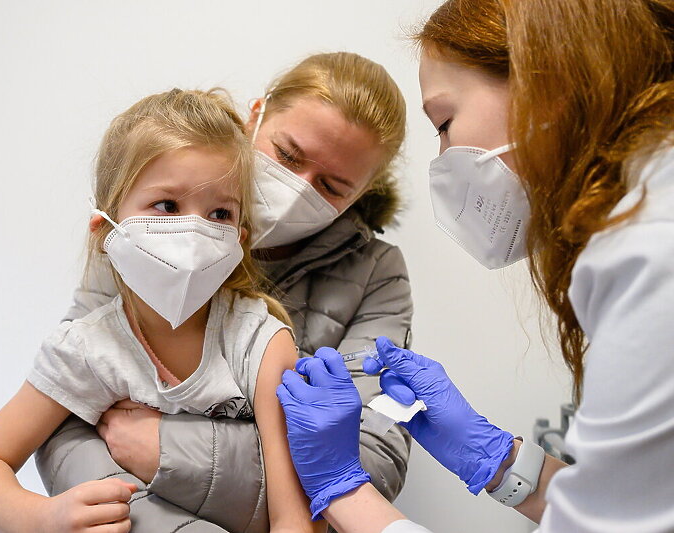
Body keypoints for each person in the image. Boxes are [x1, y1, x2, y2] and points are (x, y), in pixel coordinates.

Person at [276, 0, 674, 531]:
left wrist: (340, 489)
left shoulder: (650, 249)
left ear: (546, 81)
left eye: (443, 122)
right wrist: (499, 461)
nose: (444, 156)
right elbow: (632, 502)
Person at [35, 52, 414, 533]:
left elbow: (368, 468)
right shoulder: (145, 235)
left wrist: (167, 451)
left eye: (333, 186)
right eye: (289, 156)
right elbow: (65, 421)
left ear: (361, 194)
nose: (299, 190)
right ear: (257, 116)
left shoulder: (379, 275)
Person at [0, 88, 326, 533]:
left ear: (240, 239)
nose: (194, 230)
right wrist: (44, 518)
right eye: (166, 205)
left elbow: (297, 519)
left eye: (220, 213)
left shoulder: (260, 343)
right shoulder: (88, 348)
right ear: (104, 228)